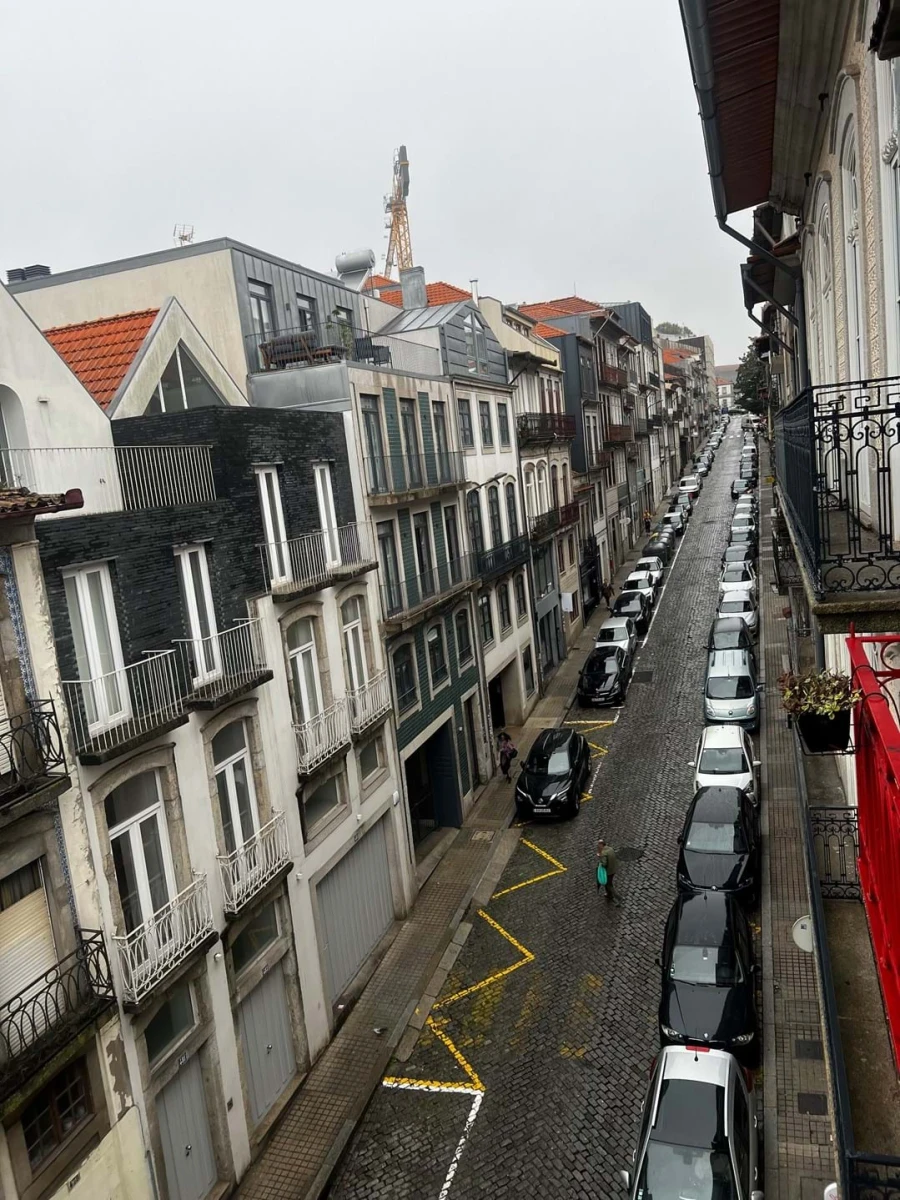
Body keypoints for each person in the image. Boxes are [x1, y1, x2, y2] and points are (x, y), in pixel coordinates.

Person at [596, 838, 621, 906]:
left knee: (609, 885)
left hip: (608, 871)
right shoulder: (610, 849)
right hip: (613, 869)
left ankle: (618, 898)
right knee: (608, 883)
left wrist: (600, 856)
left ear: (601, 845)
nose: (598, 846)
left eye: (599, 845)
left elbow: (604, 864)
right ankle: (609, 894)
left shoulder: (604, 853)